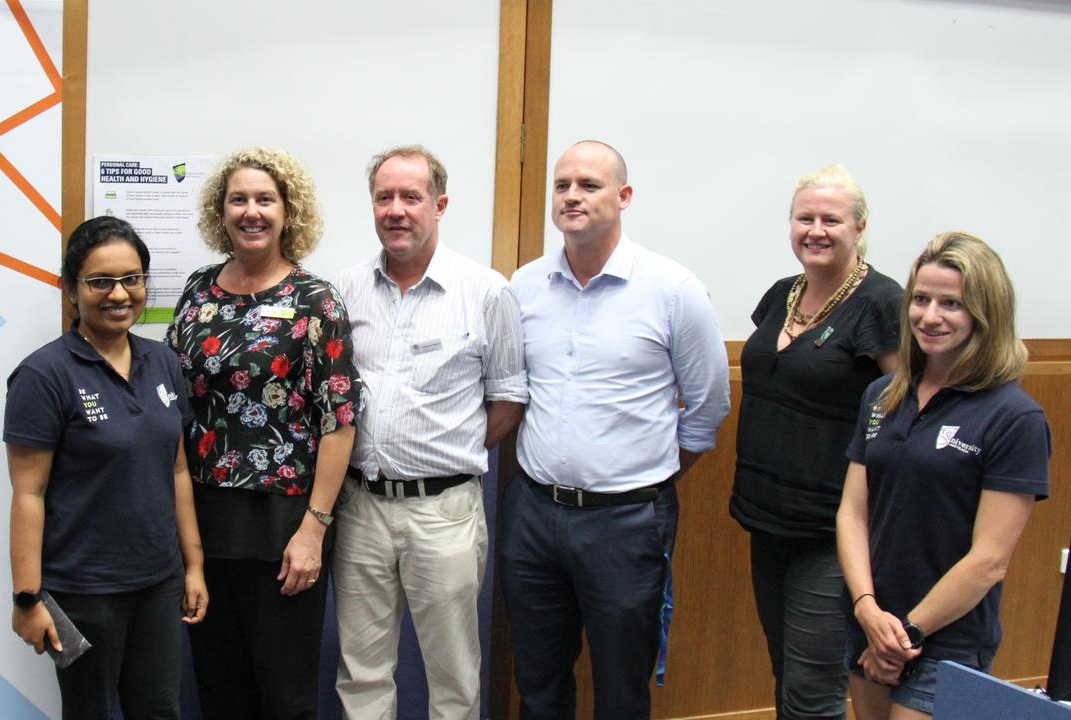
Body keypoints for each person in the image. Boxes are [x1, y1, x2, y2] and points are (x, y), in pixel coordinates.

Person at [500, 140, 731, 718]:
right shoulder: (524, 287)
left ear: (624, 196)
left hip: (626, 523)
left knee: (622, 686)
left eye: (589, 185)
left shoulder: (673, 290)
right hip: (532, 514)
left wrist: (645, 478)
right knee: (537, 679)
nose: (572, 196)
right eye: (562, 185)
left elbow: (706, 407)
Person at [331, 145, 528, 720]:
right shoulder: (343, 292)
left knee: (454, 673)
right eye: (384, 197)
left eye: (411, 197)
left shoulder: (486, 291)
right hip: (359, 506)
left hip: (444, 511)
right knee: (361, 669)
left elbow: (510, 397)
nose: (396, 210)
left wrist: (451, 449)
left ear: (439, 205)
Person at [167, 147, 364, 719]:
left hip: (284, 524)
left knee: (283, 694)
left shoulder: (316, 301)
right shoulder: (198, 292)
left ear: (287, 211)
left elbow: (339, 422)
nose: (251, 212)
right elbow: (172, 398)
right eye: (238, 199)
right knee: (218, 686)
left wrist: (314, 530)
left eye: (264, 199)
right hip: (204, 517)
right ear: (220, 211)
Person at [837, 231, 1051, 718]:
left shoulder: (1014, 417)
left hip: (944, 638)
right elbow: (853, 511)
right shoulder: (882, 395)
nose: (930, 317)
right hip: (870, 621)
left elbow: (989, 560)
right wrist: (867, 608)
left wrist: (905, 635)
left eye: (951, 303)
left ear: (984, 312)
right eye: (921, 299)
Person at [5, 216, 208, 720]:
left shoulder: (162, 362)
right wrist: (28, 597)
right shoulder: (44, 374)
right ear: (72, 290)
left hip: (158, 583)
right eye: (100, 282)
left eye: (131, 278)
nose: (119, 294)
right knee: (88, 711)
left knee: (159, 709)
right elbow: (27, 493)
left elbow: (178, 471)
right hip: (82, 591)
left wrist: (194, 566)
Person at [728, 165, 902, 719]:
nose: (817, 230)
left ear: (860, 226)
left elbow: (905, 413)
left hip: (831, 532)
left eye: (832, 219)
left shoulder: (880, 303)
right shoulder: (782, 294)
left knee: (814, 689)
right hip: (767, 519)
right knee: (786, 674)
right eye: (805, 218)